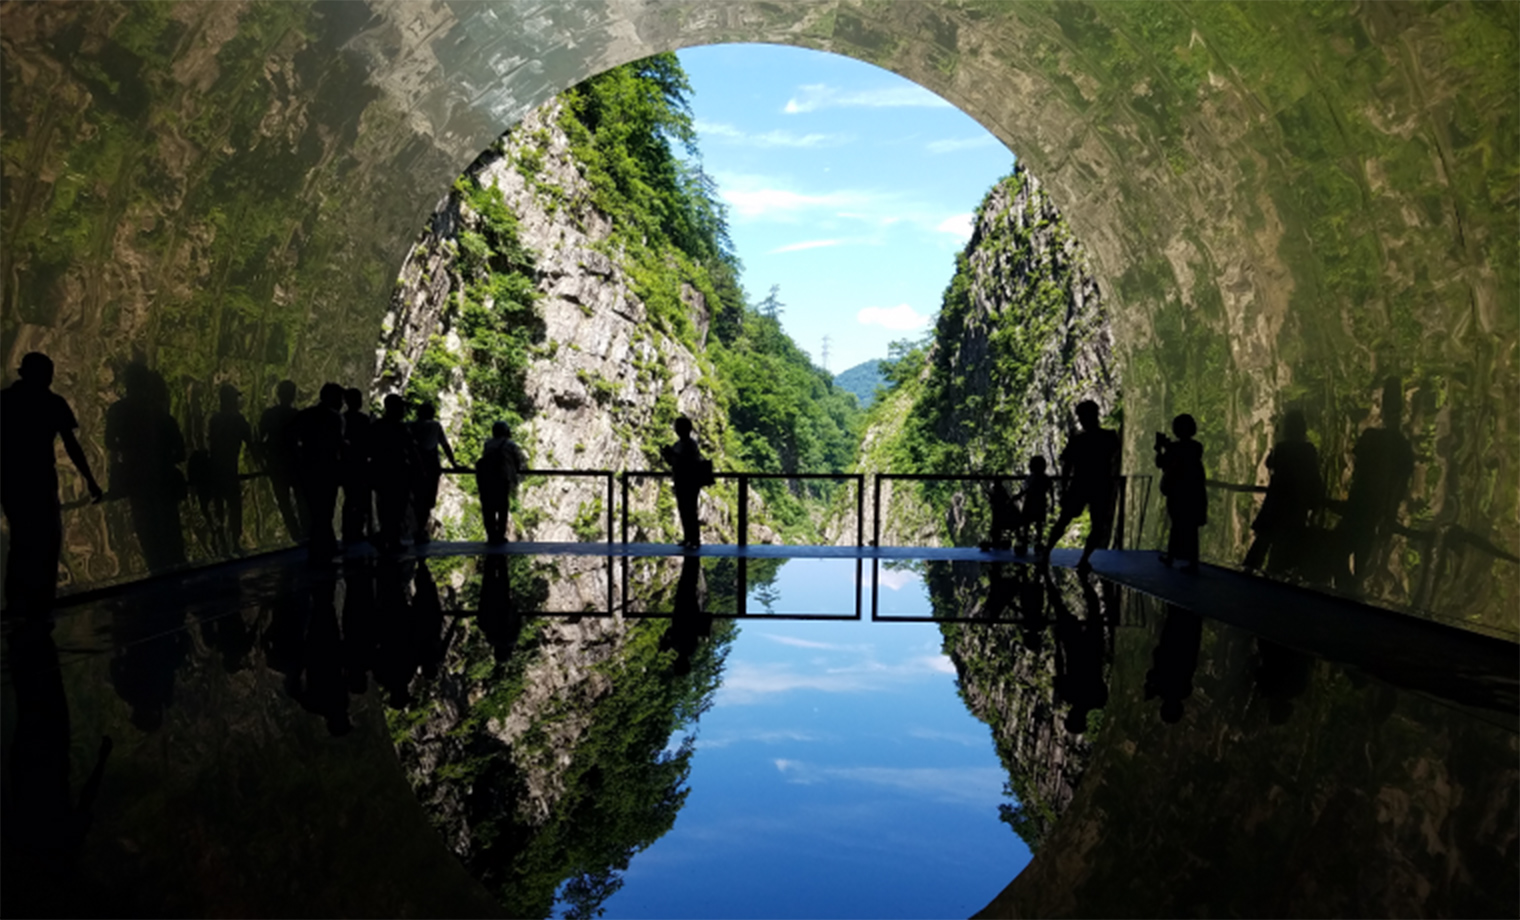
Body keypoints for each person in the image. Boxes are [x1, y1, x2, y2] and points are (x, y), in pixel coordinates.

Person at [0, 353, 103, 617]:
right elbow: (71, 444)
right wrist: (90, 480)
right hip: (41, 480)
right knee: (47, 539)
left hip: (11, 480)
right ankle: (42, 598)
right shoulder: (52, 403)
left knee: (21, 539)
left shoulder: (6, 401)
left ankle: (17, 601)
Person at [1044, 400, 1121, 571]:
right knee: (1097, 525)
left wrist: (1064, 489)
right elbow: (1113, 459)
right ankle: (1084, 559)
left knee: (1064, 520)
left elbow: (1067, 467)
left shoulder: (1078, 440)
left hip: (1079, 485)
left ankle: (1047, 552)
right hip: (1101, 485)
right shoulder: (1109, 437)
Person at [1242, 410, 1322, 573]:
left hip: (1276, 500)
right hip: (1296, 503)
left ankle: (1249, 570)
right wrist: (1314, 502)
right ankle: (1275, 573)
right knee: (1285, 543)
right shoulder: (1309, 450)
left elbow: (1269, 463)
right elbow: (1314, 475)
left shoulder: (1282, 447)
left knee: (1263, 538)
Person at [290, 383, 345, 563]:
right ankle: (324, 548)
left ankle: (321, 548)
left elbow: (293, 439)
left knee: (315, 510)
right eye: (339, 399)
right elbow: (339, 444)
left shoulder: (305, 415)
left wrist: (300, 460)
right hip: (328, 469)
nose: (342, 403)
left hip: (309, 469)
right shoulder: (334, 418)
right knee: (326, 510)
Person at [1155, 413, 1207, 573]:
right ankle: (1191, 562)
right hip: (1193, 492)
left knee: (1177, 525)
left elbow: (1161, 463)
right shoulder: (1196, 447)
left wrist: (1160, 449)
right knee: (1190, 528)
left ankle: (1173, 558)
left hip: (1177, 492)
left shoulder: (1175, 448)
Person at [206, 384, 254, 555]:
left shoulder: (215, 419)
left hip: (214, 470)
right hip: (229, 470)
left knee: (219, 508)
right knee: (235, 507)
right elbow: (250, 443)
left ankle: (222, 545)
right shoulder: (238, 420)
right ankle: (234, 543)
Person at [369, 394, 420, 555]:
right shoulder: (401, 428)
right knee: (397, 508)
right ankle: (392, 540)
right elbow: (412, 451)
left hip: (381, 473)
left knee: (384, 507)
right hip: (399, 473)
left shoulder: (377, 426)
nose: (404, 410)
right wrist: (419, 470)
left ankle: (386, 537)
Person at [257, 380, 305, 541]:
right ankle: (305, 533)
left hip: (276, 464)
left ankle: (295, 535)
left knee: (284, 503)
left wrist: (264, 461)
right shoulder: (297, 416)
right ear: (293, 395)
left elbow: (260, 440)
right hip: (295, 463)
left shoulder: (269, 415)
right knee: (301, 499)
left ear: (278, 394)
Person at [410, 401, 457, 544]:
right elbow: (445, 446)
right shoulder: (435, 426)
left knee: (417, 498)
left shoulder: (410, 425)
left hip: (414, 467)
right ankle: (420, 529)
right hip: (431, 467)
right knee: (427, 501)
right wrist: (454, 464)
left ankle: (416, 529)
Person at [476, 421, 527, 544]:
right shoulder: (510, 445)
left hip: (488, 480)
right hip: (502, 479)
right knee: (502, 508)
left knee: (489, 509)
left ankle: (491, 535)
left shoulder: (488, 444)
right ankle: (500, 535)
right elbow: (518, 462)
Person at [660, 415, 707, 550]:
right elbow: (674, 462)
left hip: (690, 481)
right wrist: (667, 455)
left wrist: (673, 454)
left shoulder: (691, 444)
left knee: (690, 510)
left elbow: (688, 461)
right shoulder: (678, 444)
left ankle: (694, 539)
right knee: (684, 510)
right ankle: (688, 538)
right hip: (680, 480)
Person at [340, 388, 374, 547]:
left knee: (350, 498)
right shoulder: (363, 420)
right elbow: (370, 442)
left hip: (347, 464)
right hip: (361, 464)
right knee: (362, 499)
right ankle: (359, 530)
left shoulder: (342, 418)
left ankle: (348, 531)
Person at [1014, 455, 1053, 557]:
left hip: (1030, 502)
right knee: (1038, 524)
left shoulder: (1031, 478)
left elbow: (1025, 490)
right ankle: (1038, 544)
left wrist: (1017, 497)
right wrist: (1052, 504)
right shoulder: (1045, 478)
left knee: (1027, 524)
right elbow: (1051, 491)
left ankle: (1025, 543)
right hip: (1040, 503)